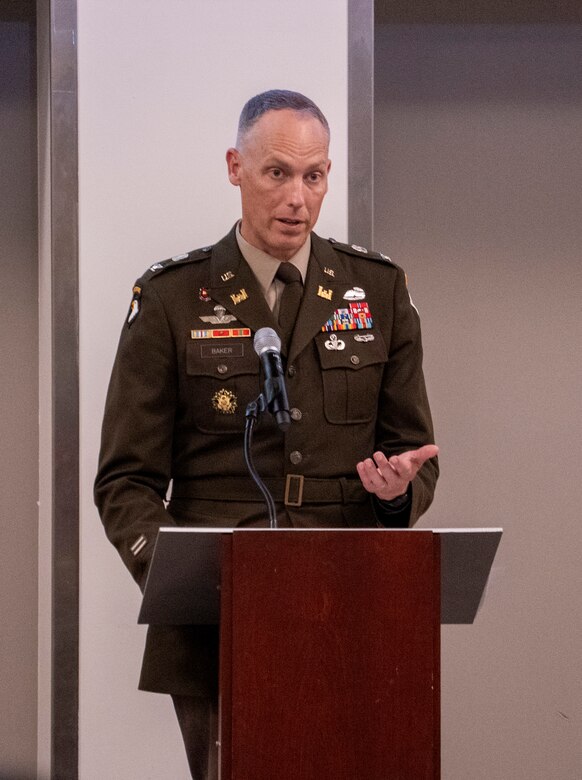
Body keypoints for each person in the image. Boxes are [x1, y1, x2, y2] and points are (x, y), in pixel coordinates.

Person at [95, 89, 439, 779]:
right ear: (236, 167)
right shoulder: (171, 297)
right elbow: (125, 481)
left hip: (352, 602)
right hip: (218, 617)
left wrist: (397, 495)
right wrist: (180, 577)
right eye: (277, 173)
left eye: (313, 176)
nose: (296, 198)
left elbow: (415, 456)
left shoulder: (377, 291)